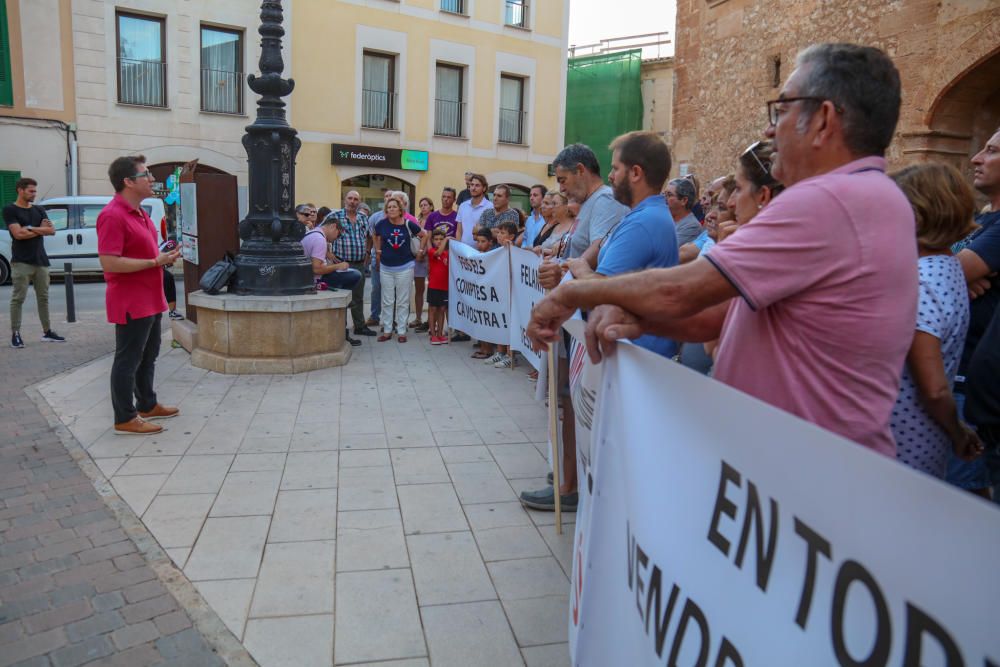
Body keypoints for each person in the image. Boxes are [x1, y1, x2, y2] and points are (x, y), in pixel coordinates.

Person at [528, 43, 918, 458]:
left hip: (800, 466)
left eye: (782, 110)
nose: (770, 130)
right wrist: (632, 318)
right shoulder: (867, 196)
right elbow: (717, 316)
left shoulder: (831, 199)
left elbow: (680, 291)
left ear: (823, 119)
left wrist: (571, 293)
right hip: (798, 461)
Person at [886, 163, 983, 479]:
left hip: (904, 439)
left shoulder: (921, 281)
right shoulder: (948, 266)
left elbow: (934, 388)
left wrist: (958, 431)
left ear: (915, 216)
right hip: (923, 437)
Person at [97, 155, 181, 435]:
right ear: (128, 182)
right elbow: (110, 262)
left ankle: (147, 403)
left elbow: (147, 253)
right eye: (147, 175)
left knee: (149, 355)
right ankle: (124, 416)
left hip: (151, 297)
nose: (152, 179)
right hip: (131, 300)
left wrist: (162, 257)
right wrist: (154, 263)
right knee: (128, 359)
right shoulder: (112, 215)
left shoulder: (142, 213)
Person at [945, 126, 1000, 495]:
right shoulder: (984, 223)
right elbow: (942, 273)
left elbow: (940, 276)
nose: (977, 159)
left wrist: (951, 274)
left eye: (992, 151)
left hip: (969, 394)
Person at [4, 177, 64, 348]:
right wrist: (39, 230)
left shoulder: (39, 210)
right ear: (20, 190)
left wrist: (29, 228)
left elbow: (51, 231)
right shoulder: (10, 210)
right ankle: (15, 334)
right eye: (31, 191)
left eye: (35, 191)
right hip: (21, 261)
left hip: (41, 261)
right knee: (18, 298)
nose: (34, 194)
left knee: (43, 298)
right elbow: (18, 235)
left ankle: (47, 332)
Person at [304, 215, 364, 347]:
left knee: (349, 279)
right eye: (338, 234)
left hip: (310, 279)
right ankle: (348, 305)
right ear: (333, 227)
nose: (336, 238)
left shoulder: (312, 235)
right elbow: (317, 269)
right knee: (355, 275)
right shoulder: (319, 239)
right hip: (317, 281)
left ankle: (348, 302)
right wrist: (338, 266)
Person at [374, 198, 426, 342]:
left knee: (403, 300)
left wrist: (421, 250)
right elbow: (375, 234)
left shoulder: (408, 224)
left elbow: (424, 235)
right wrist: (378, 251)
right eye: (389, 207)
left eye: (394, 207)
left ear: (400, 210)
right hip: (386, 267)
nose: (391, 209)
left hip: (405, 267)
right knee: (387, 300)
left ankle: (402, 331)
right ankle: (387, 330)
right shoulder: (381, 224)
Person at [327, 190, 376, 337]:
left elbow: (369, 236)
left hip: (360, 263)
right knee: (342, 296)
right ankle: (342, 329)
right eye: (350, 198)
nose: (352, 201)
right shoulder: (334, 216)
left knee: (358, 297)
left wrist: (367, 252)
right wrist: (327, 253)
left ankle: (360, 326)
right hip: (341, 264)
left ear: (359, 202)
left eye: (356, 199)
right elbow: (320, 233)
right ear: (344, 200)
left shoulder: (362, 218)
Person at [470, 228, 500, 359]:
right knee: (480, 319)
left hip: (490, 294)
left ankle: (488, 349)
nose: (479, 244)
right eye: (478, 241)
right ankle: (483, 347)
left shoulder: (494, 256)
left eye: (483, 241)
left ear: (490, 242)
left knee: (486, 320)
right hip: (480, 292)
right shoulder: (476, 254)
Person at [366, 190, 394, 329]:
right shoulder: (374, 217)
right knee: (376, 288)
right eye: (386, 197)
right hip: (376, 258)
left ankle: (390, 320)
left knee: (391, 291)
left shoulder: (399, 219)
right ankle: (374, 316)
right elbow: (370, 237)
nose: (388, 199)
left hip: (393, 261)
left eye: (391, 197)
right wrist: (369, 254)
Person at [411, 196, 435, 332]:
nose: (423, 207)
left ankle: (430, 319)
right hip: (419, 258)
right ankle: (418, 317)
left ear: (431, 206)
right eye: (421, 205)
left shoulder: (435, 219)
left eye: (426, 204)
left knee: (433, 289)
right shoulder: (417, 221)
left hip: (431, 257)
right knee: (419, 289)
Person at [426, 226, 450, 345]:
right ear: (432, 241)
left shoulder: (447, 253)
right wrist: (446, 240)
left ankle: (440, 334)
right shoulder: (432, 252)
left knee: (442, 309)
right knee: (433, 309)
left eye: (441, 239)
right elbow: (438, 252)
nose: (439, 241)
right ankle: (433, 334)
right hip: (434, 286)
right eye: (436, 239)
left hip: (445, 287)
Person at [664, 178, 702, 246]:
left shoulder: (692, 226)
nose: (664, 198)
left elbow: (666, 250)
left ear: (684, 200)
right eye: (664, 194)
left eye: (669, 195)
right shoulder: (666, 220)